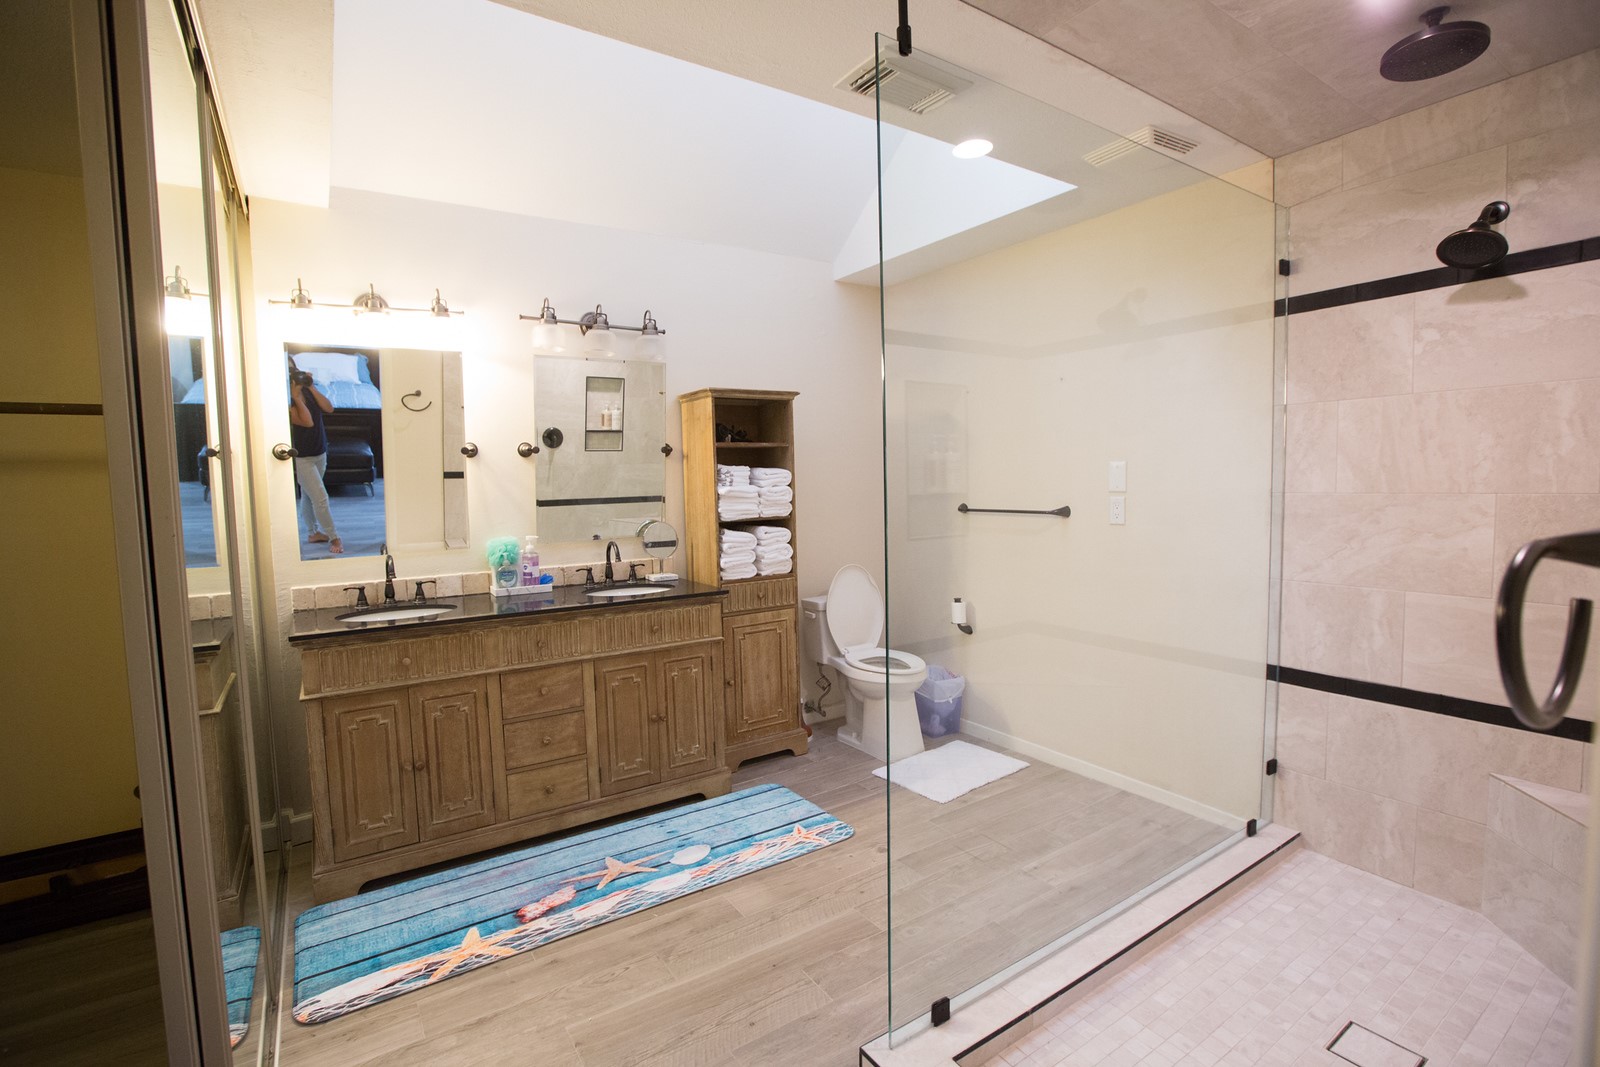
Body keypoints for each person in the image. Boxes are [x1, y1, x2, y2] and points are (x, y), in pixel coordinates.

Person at [288, 362, 342, 554]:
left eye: (294, 370)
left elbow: (329, 408)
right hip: (302, 456)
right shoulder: (285, 400)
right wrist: (297, 398)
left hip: (320, 451)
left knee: (308, 494)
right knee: (320, 498)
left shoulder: (308, 390)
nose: (294, 375)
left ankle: (312, 533)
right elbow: (308, 422)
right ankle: (335, 538)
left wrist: (311, 386)